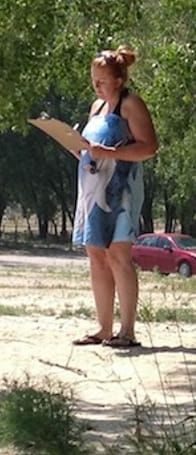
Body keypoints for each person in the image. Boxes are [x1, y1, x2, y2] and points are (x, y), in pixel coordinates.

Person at [72, 46, 158, 348]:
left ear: (118, 79)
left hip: (121, 189)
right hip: (91, 190)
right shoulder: (96, 108)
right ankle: (103, 327)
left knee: (119, 255)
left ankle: (127, 331)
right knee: (96, 254)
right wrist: (78, 148)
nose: (96, 86)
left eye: (102, 80)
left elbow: (149, 147)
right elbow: (91, 148)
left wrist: (112, 153)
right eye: (93, 80)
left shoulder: (131, 105)